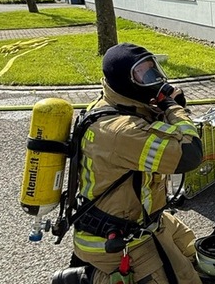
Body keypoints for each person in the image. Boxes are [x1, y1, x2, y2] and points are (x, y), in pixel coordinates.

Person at [52, 43, 205, 283]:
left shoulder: (113, 104)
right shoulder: (122, 132)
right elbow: (190, 154)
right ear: (125, 81)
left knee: (193, 249)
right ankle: (89, 278)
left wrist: (160, 107)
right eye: (143, 75)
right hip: (119, 237)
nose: (153, 79)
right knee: (187, 279)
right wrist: (172, 107)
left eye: (152, 70)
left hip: (143, 219)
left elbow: (147, 125)